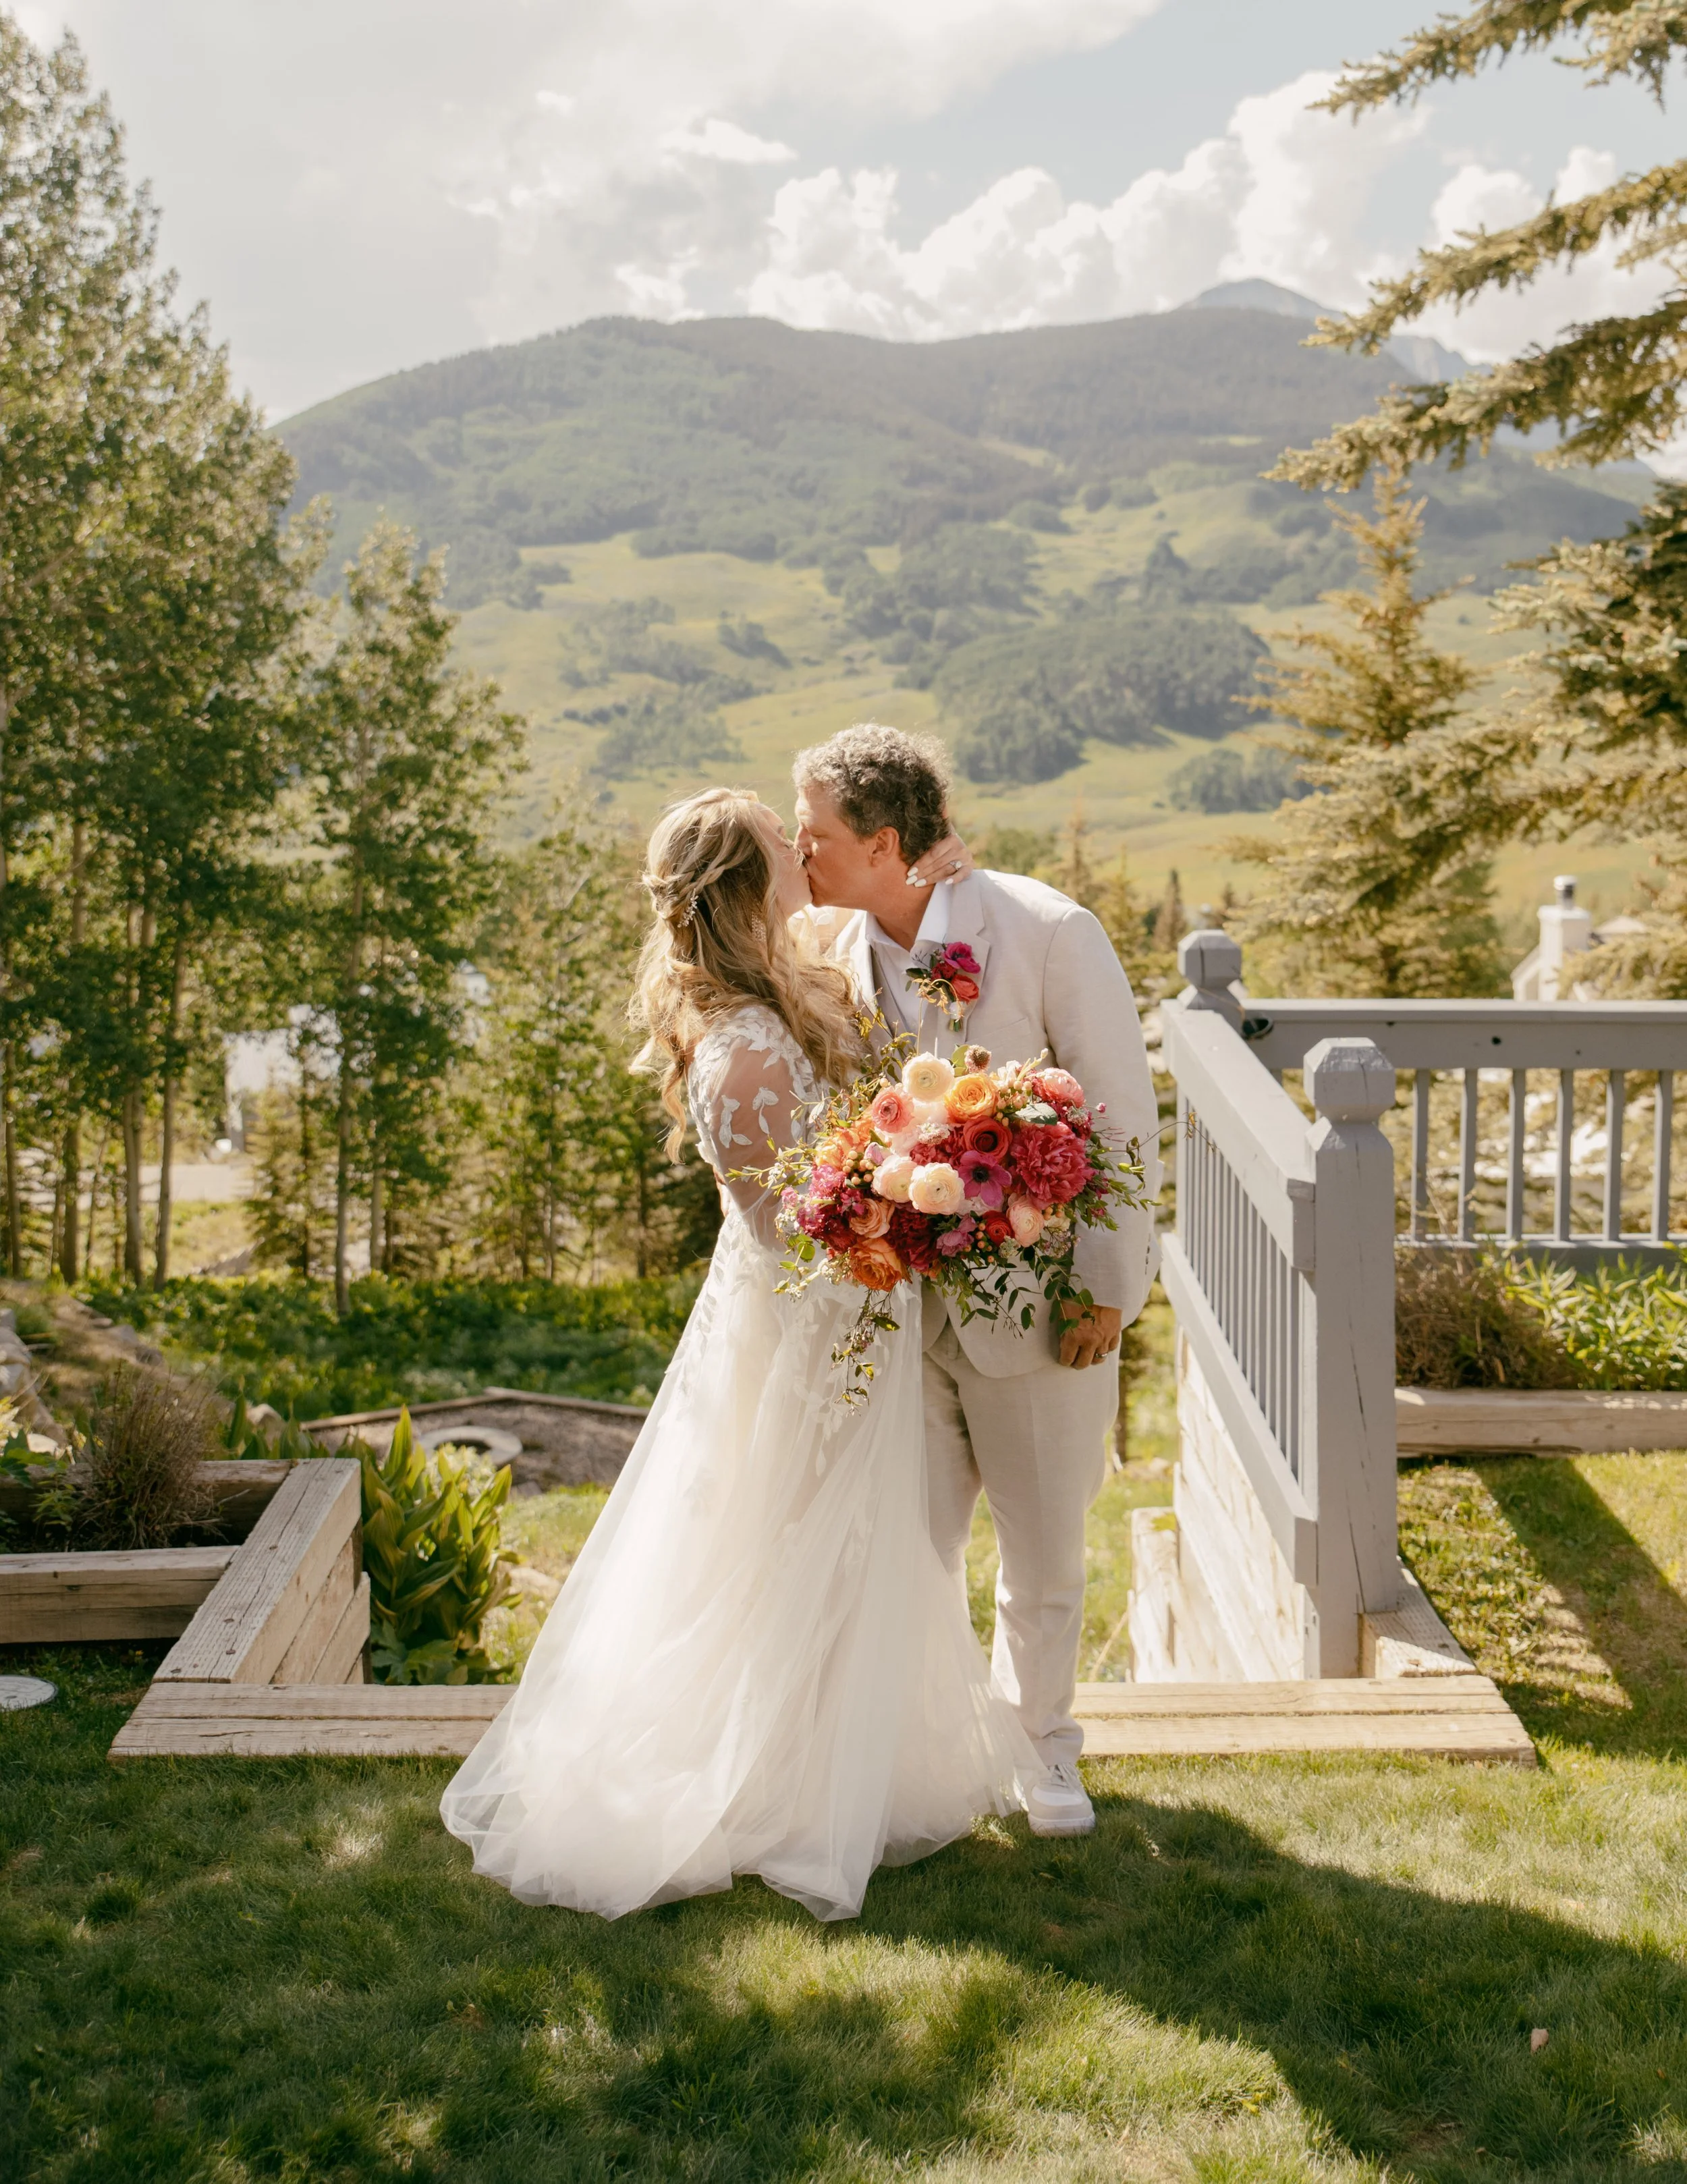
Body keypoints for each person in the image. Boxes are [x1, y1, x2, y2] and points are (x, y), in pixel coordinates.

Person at [440, 787, 1035, 1921]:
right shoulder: (745, 1047)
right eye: (781, 843)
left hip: (855, 1313)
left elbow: (888, 950)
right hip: (807, 1332)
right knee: (795, 1538)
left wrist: (935, 878)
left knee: (858, 1543)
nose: (802, 849)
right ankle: (777, 1786)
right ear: (745, 887)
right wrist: (908, 1218)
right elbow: (790, 1233)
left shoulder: (787, 967)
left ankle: (838, 1760)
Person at [794, 724, 1160, 1838]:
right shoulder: (827, 945)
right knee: (911, 1549)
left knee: (1043, 1548)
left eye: (815, 834)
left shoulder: (1046, 931)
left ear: (885, 841)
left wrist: (1110, 1283)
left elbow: (1121, 1111)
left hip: (1044, 1307)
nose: (802, 854)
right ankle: (941, 1754)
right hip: (896, 1306)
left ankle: (1045, 1751)